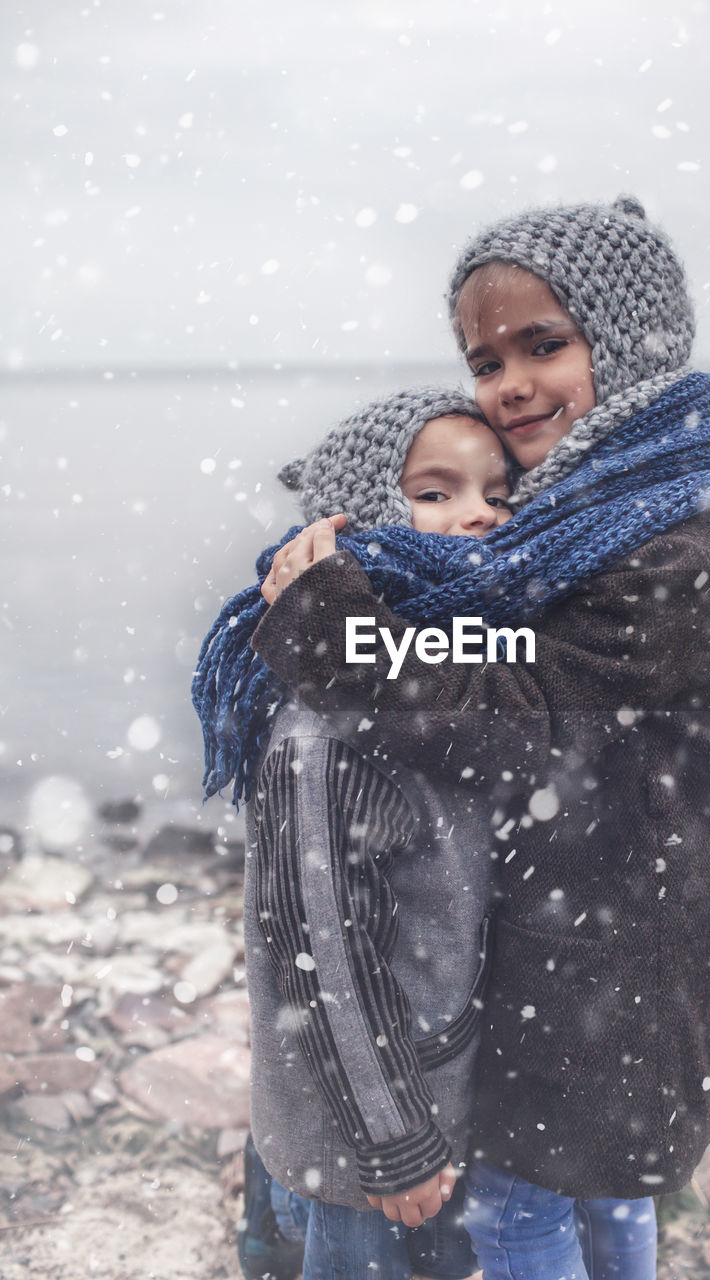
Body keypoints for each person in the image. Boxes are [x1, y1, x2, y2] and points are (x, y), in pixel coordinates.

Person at [248, 196, 710, 1280]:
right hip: (612, 959)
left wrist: (335, 623)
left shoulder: (671, 544)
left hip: (605, 982)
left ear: (629, 345)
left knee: (523, 1212)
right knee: (602, 1205)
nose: (510, 384)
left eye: (544, 343)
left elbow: (518, 721)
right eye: (484, 359)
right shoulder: (610, 507)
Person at [197, 386, 514, 1280]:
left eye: (497, 494)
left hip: (422, 1082)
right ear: (360, 517)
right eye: (436, 491)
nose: (477, 516)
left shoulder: (435, 669)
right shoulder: (328, 726)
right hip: (368, 1129)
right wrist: (393, 1140)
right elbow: (320, 952)